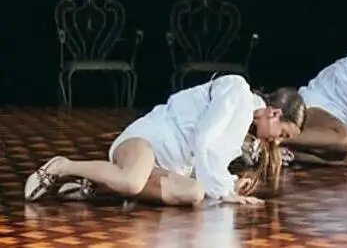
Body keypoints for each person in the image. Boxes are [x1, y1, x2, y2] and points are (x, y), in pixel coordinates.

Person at [24, 76, 305, 206]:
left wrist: (230, 186)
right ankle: (62, 166)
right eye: (283, 134)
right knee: (132, 181)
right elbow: (204, 140)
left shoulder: (245, 130)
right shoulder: (237, 91)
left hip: (166, 166)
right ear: (275, 113)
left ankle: (98, 186)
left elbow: (209, 163)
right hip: (147, 141)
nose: (278, 141)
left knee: (193, 193)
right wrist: (224, 191)